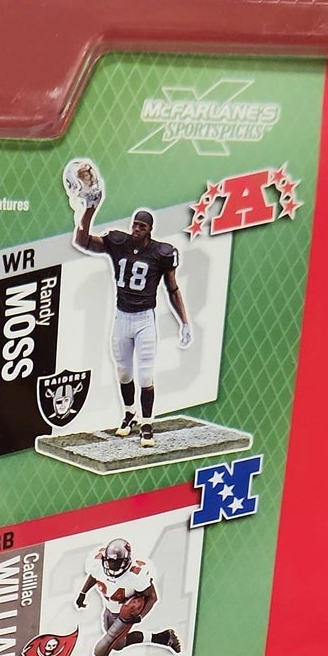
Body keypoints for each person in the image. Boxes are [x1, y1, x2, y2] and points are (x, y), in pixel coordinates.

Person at [66, 159, 191, 450]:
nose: (136, 229)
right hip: (122, 318)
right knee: (123, 372)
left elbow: (172, 288)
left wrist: (184, 321)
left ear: (150, 230)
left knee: (145, 374)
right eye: (134, 224)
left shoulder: (162, 253)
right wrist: (89, 209)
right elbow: (81, 242)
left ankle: (147, 424)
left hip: (145, 319)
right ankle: (129, 414)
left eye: (141, 226)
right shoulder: (118, 242)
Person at [62, 537, 181, 656]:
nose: (112, 566)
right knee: (118, 645)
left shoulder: (136, 575)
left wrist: (139, 616)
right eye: (110, 562)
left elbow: (152, 597)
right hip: (109, 609)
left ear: (126, 561)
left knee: (102, 649)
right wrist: (83, 593)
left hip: (125, 616)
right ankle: (163, 637)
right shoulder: (97, 563)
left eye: (117, 563)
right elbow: (94, 575)